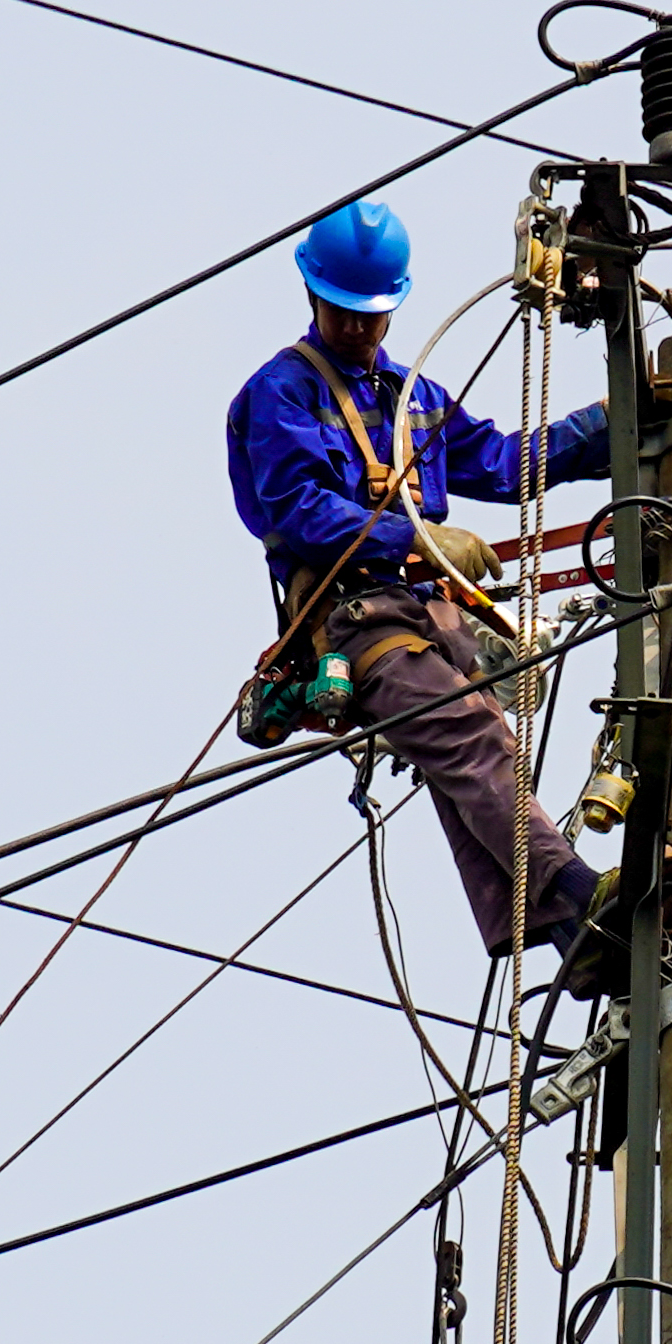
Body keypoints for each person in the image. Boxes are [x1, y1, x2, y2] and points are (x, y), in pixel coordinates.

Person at [225, 199, 610, 963]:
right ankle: (578, 894)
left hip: (437, 620)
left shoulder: (415, 398)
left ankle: (567, 939)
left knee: (473, 756)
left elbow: (503, 463)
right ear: (314, 297)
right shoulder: (282, 393)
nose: (360, 329)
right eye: (344, 314)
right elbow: (297, 510)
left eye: (372, 316)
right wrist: (420, 537)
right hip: (359, 622)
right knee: (470, 743)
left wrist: (605, 425)